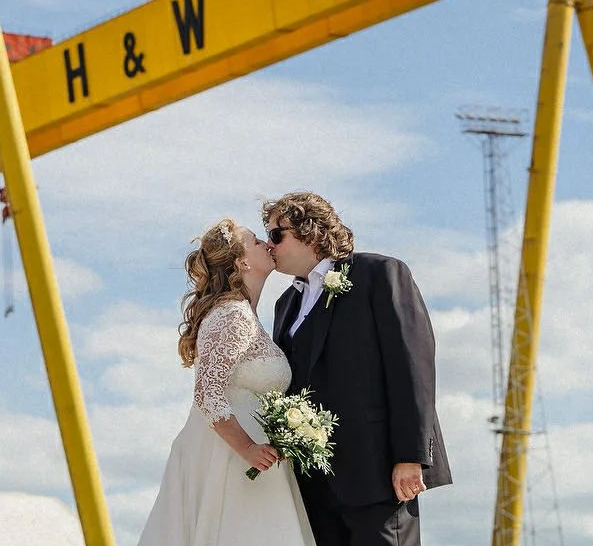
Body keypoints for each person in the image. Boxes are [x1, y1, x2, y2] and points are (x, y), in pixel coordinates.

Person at [264, 192, 451, 546]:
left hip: (377, 470)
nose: (269, 244)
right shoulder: (284, 304)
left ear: (312, 232)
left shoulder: (378, 273)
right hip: (313, 481)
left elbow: (412, 365)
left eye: (277, 234)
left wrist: (410, 456)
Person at [138, 218, 316, 546]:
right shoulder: (231, 314)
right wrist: (247, 447)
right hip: (232, 460)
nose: (267, 243)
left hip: (254, 459)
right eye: (255, 240)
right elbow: (208, 393)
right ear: (241, 261)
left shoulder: (246, 315)